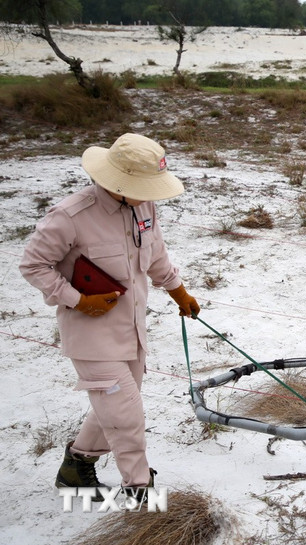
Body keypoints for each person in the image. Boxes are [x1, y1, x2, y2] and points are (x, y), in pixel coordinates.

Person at [19, 133, 200, 500]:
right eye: (142, 185)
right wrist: (76, 299)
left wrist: (177, 289)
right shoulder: (70, 216)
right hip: (91, 338)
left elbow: (157, 253)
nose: (150, 193)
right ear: (118, 182)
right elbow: (33, 264)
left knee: (115, 406)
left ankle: (76, 467)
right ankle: (139, 491)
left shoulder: (144, 207)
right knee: (127, 416)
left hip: (131, 332)